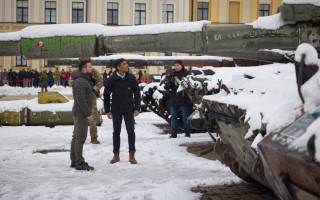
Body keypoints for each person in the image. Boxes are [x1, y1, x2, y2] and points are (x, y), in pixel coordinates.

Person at [104, 58, 140, 164]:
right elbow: (106, 95)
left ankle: (132, 155)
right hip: (116, 110)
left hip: (129, 109)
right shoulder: (112, 79)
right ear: (118, 67)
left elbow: (137, 92)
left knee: (131, 132)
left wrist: (137, 108)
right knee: (116, 132)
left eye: (126, 64)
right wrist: (107, 110)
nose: (127, 65)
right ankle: (116, 155)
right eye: (124, 64)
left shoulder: (131, 78)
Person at [70, 58, 94, 171]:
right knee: (80, 137)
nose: (92, 68)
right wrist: (88, 113)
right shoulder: (80, 81)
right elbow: (81, 99)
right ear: (84, 69)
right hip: (81, 113)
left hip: (80, 113)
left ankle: (75, 160)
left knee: (76, 137)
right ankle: (79, 162)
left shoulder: (82, 79)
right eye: (90, 67)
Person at [164, 60, 192, 138]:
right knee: (173, 118)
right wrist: (168, 83)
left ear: (181, 66)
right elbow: (167, 85)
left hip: (184, 98)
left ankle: (187, 133)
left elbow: (188, 85)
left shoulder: (186, 74)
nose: (176, 67)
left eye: (178, 65)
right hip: (174, 98)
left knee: (185, 117)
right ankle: (173, 134)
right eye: (175, 65)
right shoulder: (172, 74)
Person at [88, 67, 103, 144]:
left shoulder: (94, 71)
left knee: (93, 118)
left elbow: (100, 81)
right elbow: (71, 82)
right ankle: (77, 138)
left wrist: (95, 88)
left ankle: (93, 137)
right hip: (80, 98)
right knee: (79, 119)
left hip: (91, 97)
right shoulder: (78, 72)